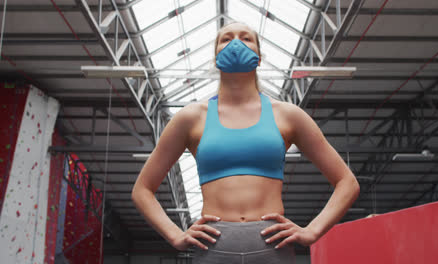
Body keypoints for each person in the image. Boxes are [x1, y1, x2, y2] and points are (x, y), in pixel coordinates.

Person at [132, 21, 360, 263]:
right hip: (213, 246)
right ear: (215, 56)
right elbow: (142, 189)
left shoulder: (288, 115)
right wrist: (175, 236)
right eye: (226, 38)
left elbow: (347, 182)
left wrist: (312, 231)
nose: (236, 43)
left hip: (272, 245)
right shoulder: (190, 118)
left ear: (259, 57)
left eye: (246, 38)